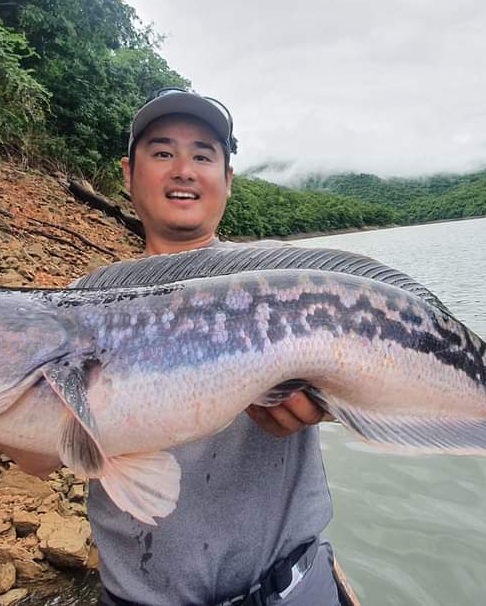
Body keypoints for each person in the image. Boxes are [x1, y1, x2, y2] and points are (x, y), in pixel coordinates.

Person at [89, 88, 342, 605]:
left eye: (203, 155)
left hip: (296, 589)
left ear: (226, 179)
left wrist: (330, 402)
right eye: (162, 152)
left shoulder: (284, 280)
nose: (183, 169)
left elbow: (374, 386)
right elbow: (31, 456)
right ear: (128, 172)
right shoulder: (85, 300)